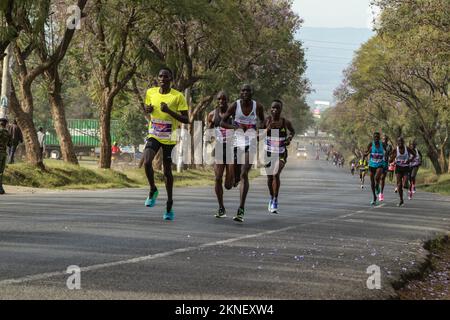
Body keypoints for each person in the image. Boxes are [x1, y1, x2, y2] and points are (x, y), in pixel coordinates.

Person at [143, 67, 189, 221]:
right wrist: (147, 109)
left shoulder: (178, 96)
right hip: (154, 134)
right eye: (160, 76)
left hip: (170, 137)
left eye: (166, 76)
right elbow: (147, 109)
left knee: (167, 172)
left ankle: (169, 205)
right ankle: (153, 189)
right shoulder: (151, 92)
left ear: (171, 79)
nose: (162, 78)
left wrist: (169, 111)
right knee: (147, 161)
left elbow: (186, 119)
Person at [220, 84, 265, 222]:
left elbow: (263, 121)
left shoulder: (258, 107)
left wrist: (258, 131)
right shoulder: (235, 105)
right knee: (232, 180)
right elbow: (222, 122)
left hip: (250, 142)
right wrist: (234, 127)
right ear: (240, 93)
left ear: (252, 93)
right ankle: (234, 178)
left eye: (247, 91)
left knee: (244, 173)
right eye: (243, 90)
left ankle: (241, 209)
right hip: (236, 142)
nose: (245, 93)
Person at [263, 99, 295, 214]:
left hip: (281, 153)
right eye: (273, 108)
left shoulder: (285, 122)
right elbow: (258, 135)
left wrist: (289, 139)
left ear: (281, 110)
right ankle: (271, 197)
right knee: (269, 178)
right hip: (268, 153)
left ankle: (275, 200)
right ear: (270, 109)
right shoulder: (267, 121)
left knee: (276, 174)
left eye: (277, 108)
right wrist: (267, 129)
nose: (275, 110)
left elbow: (292, 132)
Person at [207, 91, 235, 218]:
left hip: (231, 148)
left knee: (228, 185)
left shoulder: (233, 113)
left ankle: (232, 178)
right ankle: (221, 207)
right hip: (219, 148)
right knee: (217, 178)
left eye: (224, 99)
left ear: (228, 100)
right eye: (219, 99)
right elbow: (209, 128)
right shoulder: (212, 114)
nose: (221, 101)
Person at [389, 137, 416, 207]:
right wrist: (392, 158)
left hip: (406, 168)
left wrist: (409, 160)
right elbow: (390, 159)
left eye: (401, 141)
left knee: (404, 184)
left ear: (403, 142)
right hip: (398, 168)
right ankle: (401, 200)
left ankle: (408, 185)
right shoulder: (395, 149)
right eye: (399, 142)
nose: (400, 143)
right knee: (399, 185)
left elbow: (414, 155)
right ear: (397, 143)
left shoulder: (407, 148)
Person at [364, 132, 386, 206]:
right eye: (375, 137)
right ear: (373, 138)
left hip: (380, 164)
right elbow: (367, 151)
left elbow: (388, 151)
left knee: (377, 178)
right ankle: (374, 197)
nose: (376, 138)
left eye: (377, 137)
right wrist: (365, 154)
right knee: (372, 182)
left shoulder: (382, 144)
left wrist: (387, 157)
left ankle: (377, 187)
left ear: (379, 138)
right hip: (372, 164)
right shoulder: (371, 144)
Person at [379, 134, 393, 202]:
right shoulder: (379, 145)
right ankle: (377, 188)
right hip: (378, 163)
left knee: (382, 178)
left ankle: (381, 193)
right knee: (377, 178)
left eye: (386, 139)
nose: (385, 140)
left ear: (387, 140)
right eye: (384, 139)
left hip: (385, 163)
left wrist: (391, 158)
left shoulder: (389, 146)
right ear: (382, 139)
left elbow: (391, 154)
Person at [0, 117, 12, 195]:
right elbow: (10, 144)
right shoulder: (8, 133)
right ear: (6, 124)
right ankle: (0, 187)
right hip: (4, 153)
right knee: (1, 172)